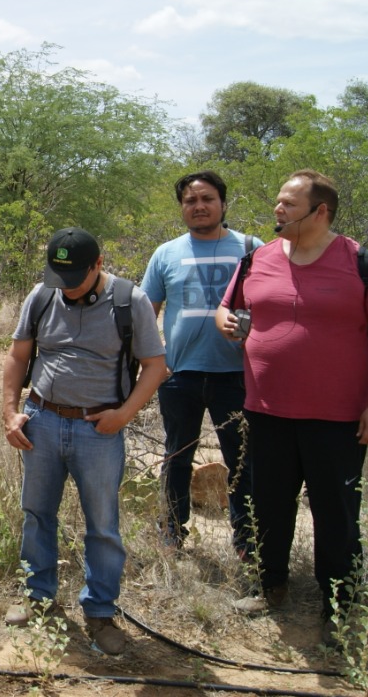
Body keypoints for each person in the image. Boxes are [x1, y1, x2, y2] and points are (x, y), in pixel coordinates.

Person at [216, 170, 368, 646]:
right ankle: (269, 584)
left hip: (338, 418)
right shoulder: (256, 258)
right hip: (267, 409)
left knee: (336, 511)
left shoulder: (362, 264)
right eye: (277, 202)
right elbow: (228, 306)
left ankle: (339, 606)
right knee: (270, 503)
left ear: (321, 212)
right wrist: (226, 321)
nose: (277, 211)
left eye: (288, 204)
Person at [2, 228, 165, 655]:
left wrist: (123, 415)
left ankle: (99, 613)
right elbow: (19, 355)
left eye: (76, 276)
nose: (67, 286)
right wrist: (10, 412)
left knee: (103, 526)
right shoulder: (41, 295)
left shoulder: (131, 301)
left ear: (98, 264)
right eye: (60, 276)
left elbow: (154, 366)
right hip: (42, 421)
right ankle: (38, 596)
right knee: (37, 513)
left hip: (99, 430)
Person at [140, 171, 262, 553]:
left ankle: (247, 542)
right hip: (181, 375)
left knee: (242, 463)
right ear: (181, 208)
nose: (199, 206)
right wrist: (157, 363)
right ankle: (172, 532)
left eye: (207, 199)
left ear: (223, 203)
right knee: (176, 456)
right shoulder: (166, 253)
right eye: (190, 201)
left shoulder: (252, 248)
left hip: (238, 375)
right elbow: (147, 313)